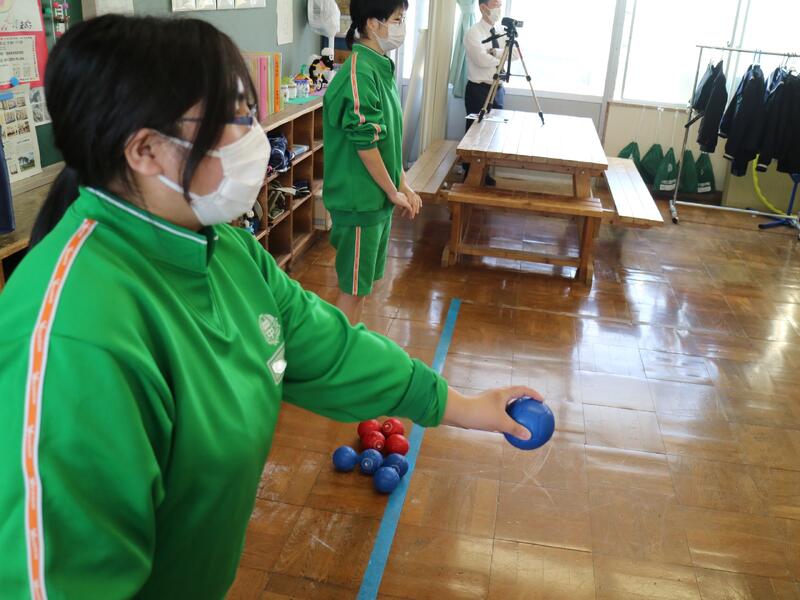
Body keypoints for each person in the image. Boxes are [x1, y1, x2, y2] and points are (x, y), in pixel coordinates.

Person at [0, 15, 542, 599]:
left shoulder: (222, 249)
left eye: (249, 111)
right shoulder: (75, 337)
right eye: (231, 118)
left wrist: (461, 406)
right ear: (146, 149)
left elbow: (332, 351)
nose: (254, 136)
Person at [323, 0, 422, 325]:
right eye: (397, 19)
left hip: (377, 201)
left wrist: (403, 185)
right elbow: (365, 145)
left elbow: (387, 141)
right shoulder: (358, 72)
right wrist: (393, 191)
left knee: (361, 289)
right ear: (372, 24)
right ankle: (337, 355)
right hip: (359, 203)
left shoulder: (380, 67)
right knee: (351, 292)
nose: (401, 26)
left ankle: (350, 349)